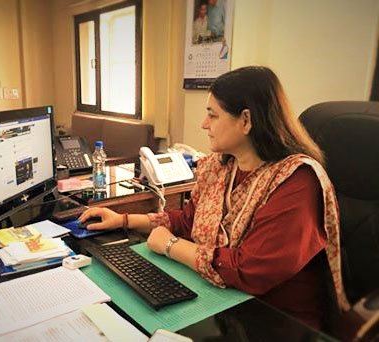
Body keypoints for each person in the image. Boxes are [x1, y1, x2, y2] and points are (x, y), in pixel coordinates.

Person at [79, 66, 350, 330]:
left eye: (213, 115)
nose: (204, 124)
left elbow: (249, 270)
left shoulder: (297, 181)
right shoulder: (220, 166)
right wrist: (123, 220)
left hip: (274, 319)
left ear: (246, 120)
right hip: (223, 304)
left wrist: (170, 245)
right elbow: (189, 221)